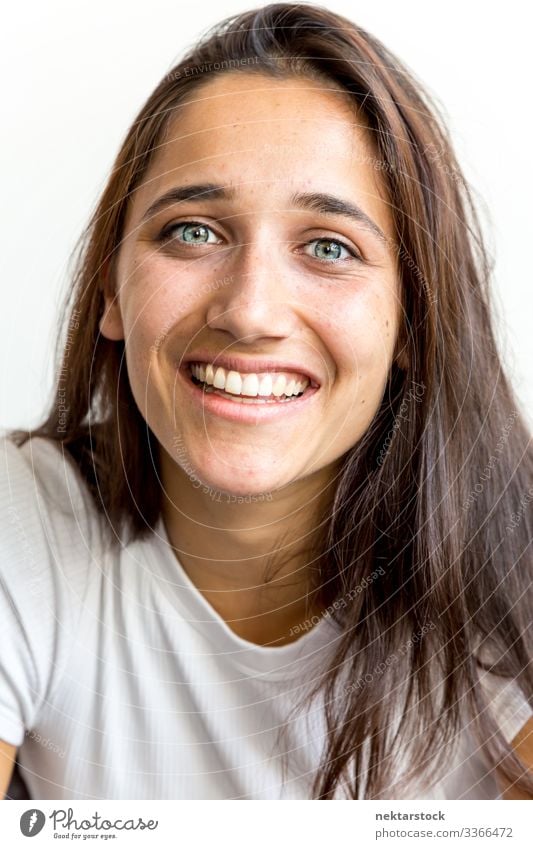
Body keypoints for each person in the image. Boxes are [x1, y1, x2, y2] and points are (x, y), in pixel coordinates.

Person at [1, 2, 532, 801]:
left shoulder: (508, 552)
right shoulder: (26, 521)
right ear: (111, 286)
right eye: (192, 231)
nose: (249, 311)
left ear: (410, 322)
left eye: (329, 247)